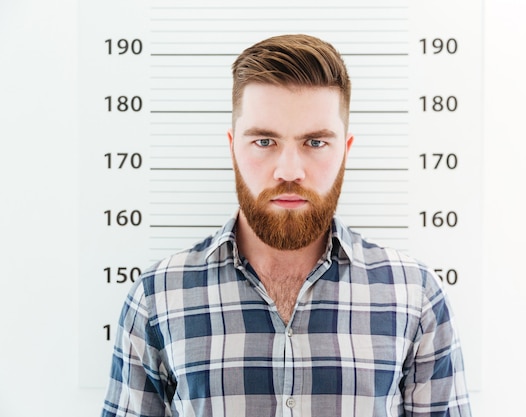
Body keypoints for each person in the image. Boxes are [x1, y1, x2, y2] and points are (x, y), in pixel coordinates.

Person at [102, 34, 472, 417]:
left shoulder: (414, 295)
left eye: (314, 142)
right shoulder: (157, 297)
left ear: (345, 150)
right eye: (264, 141)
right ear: (233, 148)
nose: (289, 171)